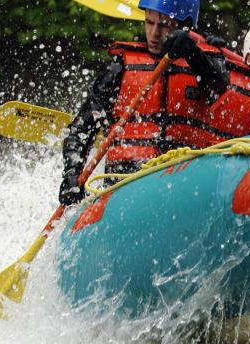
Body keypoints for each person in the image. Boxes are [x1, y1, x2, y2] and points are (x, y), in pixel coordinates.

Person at [59, 0, 233, 205]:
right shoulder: (121, 67)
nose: (154, 33)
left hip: (183, 185)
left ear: (184, 27)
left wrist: (193, 53)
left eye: (164, 25)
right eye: (149, 23)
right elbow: (82, 128)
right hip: (124, 184)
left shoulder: (204, 65)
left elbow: (220, 88)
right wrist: (72, 173)